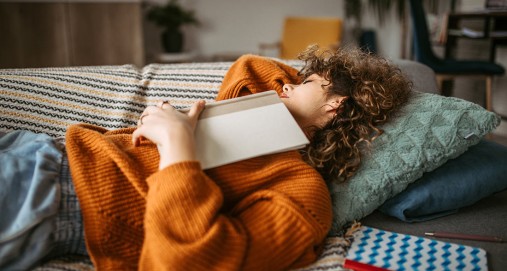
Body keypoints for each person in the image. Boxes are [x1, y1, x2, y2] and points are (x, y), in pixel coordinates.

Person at [0, 45, 411, 271]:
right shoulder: (245, 115)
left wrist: (177, 147)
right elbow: (251, 68)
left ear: (336, 105)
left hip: (57, 194)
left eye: (305, 83)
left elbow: (190, 262)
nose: (285, 85)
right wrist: (301, 99)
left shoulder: (301, 193)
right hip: (38, 147)